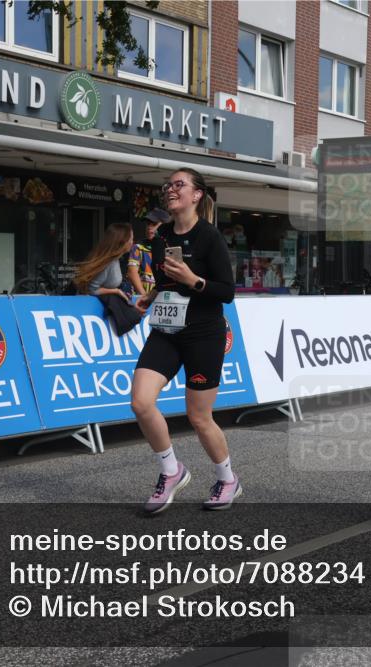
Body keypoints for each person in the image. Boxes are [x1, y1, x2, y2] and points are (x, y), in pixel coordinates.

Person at [130, 168, 239, 513]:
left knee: (199, 417)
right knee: (141, 402)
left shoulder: (210, 237)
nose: (171, 189)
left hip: (203, 334)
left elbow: (227, 292)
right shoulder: (161, 235)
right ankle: (171, 471)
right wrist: (151, 295)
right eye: (168, 185)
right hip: (166, 330)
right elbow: (167, 281)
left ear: (197, 195)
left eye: (180, 185)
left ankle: (227, 480)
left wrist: (195, 281)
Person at [73, 223, 138, 300]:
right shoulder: (109, 263)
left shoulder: (114, 260)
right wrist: (116, 291)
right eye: (131, 239)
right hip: (90, 305)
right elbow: (91, 290)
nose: (132, 242)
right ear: (122, 241)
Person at [125, 208, 171, 297]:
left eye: (154, 224)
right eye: (148, 224)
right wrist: (145, 297)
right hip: (143, 298)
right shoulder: (138, 247)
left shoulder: (172, 247)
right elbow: (132, 273)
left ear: (165, 226)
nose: (149, 227)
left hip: (166, 298)